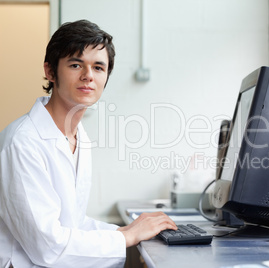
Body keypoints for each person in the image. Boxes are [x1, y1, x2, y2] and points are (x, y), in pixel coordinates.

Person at [0, 19, 177, 268]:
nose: (88, 76)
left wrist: (129, 230)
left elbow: (73, 223)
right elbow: (48, 247)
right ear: (50, 71)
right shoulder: (23, 143)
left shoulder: (78, 135)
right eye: (76, 65)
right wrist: (126, 236)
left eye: (98, 67)